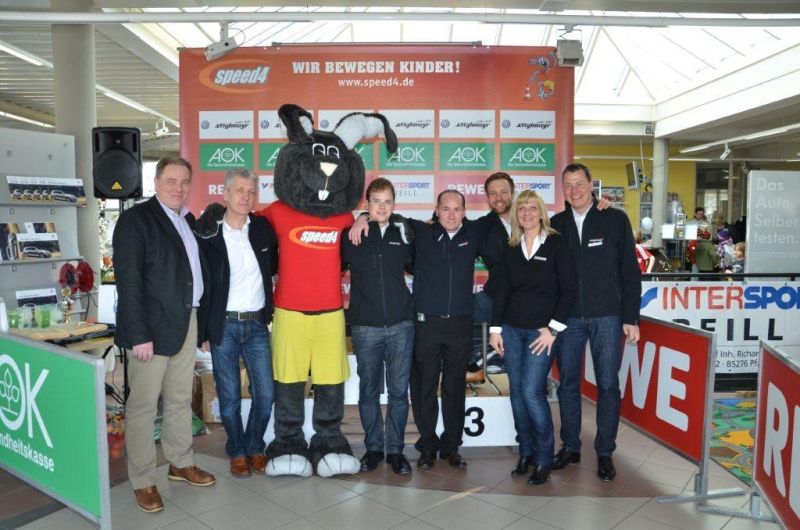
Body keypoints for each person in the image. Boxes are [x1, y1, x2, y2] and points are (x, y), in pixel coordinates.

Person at [113, 156, 216, 514]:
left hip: (186, 321)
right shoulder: (136, 220)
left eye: (184, 181)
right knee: (143, 406)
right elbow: (129, 281)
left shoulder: (187, 220)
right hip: (150, 329)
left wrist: (201, 326)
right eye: (171, 180)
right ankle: (143, 479)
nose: (178, 187)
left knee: (178, 399)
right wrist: (139, 334)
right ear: (155, 182)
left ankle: (180, 462)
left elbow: (193, 274)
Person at [549, 163, 641, 482]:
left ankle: (604, 452)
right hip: (568, 319)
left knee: (608, 385)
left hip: (608, 316)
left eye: (579, 183)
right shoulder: (555, 225)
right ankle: (570, 447)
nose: (574, 190)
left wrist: (631, 317)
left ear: (591, 185)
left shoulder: (614, 219)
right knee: (567, 384)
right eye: (568, 185)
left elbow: (630, 271)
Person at [488, 190, 575, 486]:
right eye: (522, 208)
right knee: (517, 392)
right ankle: (525, 451)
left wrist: (553, 330)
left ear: (541, 212)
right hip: (512, 330)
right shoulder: (511, 246)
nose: (527, 212)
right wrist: (495, 329)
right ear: (516, 214)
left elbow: (568, 290)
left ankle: (544, 457)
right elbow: (502, 290)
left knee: (531, 392)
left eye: (532, 207)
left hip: (542, 334)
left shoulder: (557, 243)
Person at [195, 169, 278, 478]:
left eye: (251, 191)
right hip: (224, 326)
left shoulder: (263, 229)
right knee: (229, 398)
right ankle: (238, 451)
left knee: (266, 394)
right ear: (226, 194)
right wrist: (203, 330)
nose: (246, 196)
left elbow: (275, 265)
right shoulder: (209, 234)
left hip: (257, 325)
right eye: (240, 190)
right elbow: (203, 285)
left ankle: (255, 445)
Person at [341, 178, 415, 475]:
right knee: (368, 392)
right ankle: (373, 448)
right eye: (376, 202)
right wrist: (360, 219)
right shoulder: (352, 235)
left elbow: (419, 263)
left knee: (398, 393)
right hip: (365, 328)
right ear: (367, 204)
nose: (382, 207)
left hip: (401, 326)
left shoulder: (404, 233)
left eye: (387, 202)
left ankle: (395, 450)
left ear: (394, 205)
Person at [470, 172, 515, 375]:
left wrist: (596, 204)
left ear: (513, 193)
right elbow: (455, 241)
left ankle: (499, 358)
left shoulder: (531, 218)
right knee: (466, 308)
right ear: (487, 197)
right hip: (494, 296)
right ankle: (481, 358)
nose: (498, 198)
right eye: (493, 193)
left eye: (503, 192)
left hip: (527, 300)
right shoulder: (481, 227)